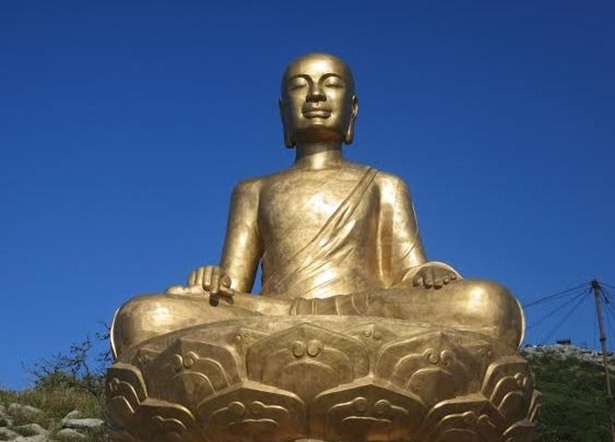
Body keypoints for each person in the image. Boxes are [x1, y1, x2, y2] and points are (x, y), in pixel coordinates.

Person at [111, 53, 524, 358]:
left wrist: (431, 272)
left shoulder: (384, 184)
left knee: (485, 304)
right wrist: (213, 281)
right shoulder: (253, 189)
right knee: (146, 316)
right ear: (283, 112)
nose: (315, 95)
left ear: (352, 109)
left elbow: (409, 271)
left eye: (331, 84)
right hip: (272, 313)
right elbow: (233, 287)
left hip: (363, 310)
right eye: (299, 85)